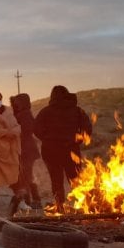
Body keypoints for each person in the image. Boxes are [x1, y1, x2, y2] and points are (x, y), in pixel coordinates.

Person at [33, 85, 92, 214]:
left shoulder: (46, 111)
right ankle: (86, 206)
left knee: (56, 180)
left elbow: (36, 128)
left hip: (50, 150)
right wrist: (75, 140)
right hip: (71, 150)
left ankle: (60, 207)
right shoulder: (77, 111)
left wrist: (47, 138)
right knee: (76, 178)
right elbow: (87, 130)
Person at [10, 92, 42, 211]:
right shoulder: (24, 114)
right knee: (26, 176)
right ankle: (33, 199)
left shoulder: (25, 115)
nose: (16, 104)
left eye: (18, 101)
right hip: (26, 149)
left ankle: (31, 200)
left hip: (26, 149)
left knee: (26, 176)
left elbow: (24, 131)